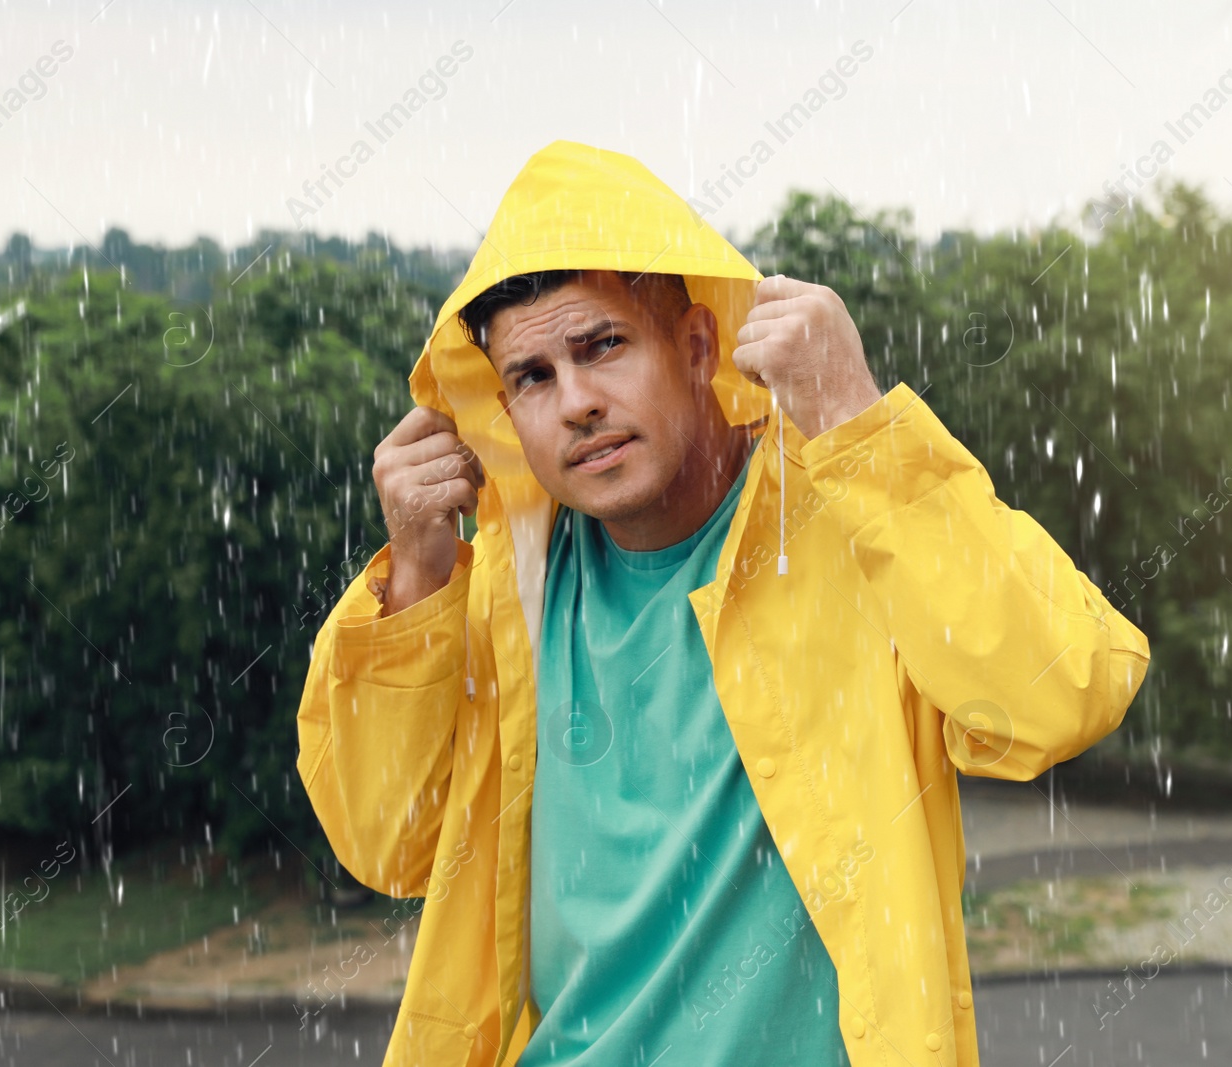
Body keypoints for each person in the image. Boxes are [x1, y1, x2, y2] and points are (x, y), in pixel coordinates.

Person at [296, 139, 1150, 1067]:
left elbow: (1062, 692)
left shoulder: (847, 517)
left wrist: (859, 421)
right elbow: (391, 841)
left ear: (699, 345)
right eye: (533, 378)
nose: (575, 401)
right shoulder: (508, 583)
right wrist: (418, 573)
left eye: (603, 346)